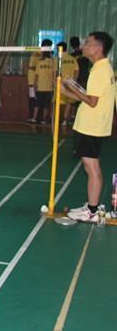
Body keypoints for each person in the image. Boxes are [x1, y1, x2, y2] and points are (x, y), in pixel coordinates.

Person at [62, 32, 115, 222]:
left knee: (92, 168)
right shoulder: (102, 67)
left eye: (88, 43)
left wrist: (71, 86)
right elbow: (89, 98)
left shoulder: (100, 71)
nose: (84, 46)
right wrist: (66, 90)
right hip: (92, 124)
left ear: (98, 48)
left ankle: (92, 211)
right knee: (90, 166)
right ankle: (92, 206)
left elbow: (91, 102)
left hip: (91, 125)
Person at [29, 40, 55, 124]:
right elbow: (54, 74)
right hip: (47, 86)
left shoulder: (42, 62)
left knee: (38, 103)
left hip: (40, 86)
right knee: (45, 104)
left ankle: (35, 118)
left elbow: (37, 75)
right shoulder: (52, 62)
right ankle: (42, 119)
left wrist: (35, 85)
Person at [57, 42, 80, 125]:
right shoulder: (72, 58)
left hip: (61, 83)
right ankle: (64, 120)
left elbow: (56, 72)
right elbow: (77, 70)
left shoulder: (58, 59)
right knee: (69, 102)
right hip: (70, 83)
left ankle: (58, 120)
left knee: (58, 102)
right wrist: (73, 81)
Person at [26, 47, 41, 120]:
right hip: (33, 82)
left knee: (37, 99)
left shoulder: (40, 55)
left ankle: (35, 117)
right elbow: (31, 67)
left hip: (39, 82)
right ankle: (32, 116)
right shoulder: (36, 55)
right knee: (33, 99)